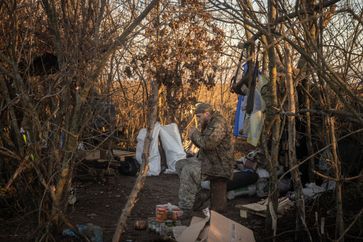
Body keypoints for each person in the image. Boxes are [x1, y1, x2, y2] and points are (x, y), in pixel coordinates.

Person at [176, 102, 234, 219]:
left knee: (189, 170)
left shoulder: (218, 123)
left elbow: (207, 144)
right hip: (209, 161)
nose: (198, 119)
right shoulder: (209, 121)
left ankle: (186, 209)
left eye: (199, 116)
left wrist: (193, 134)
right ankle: (199, 197)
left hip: (219, 165)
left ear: (207, 113)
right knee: (180, 164)